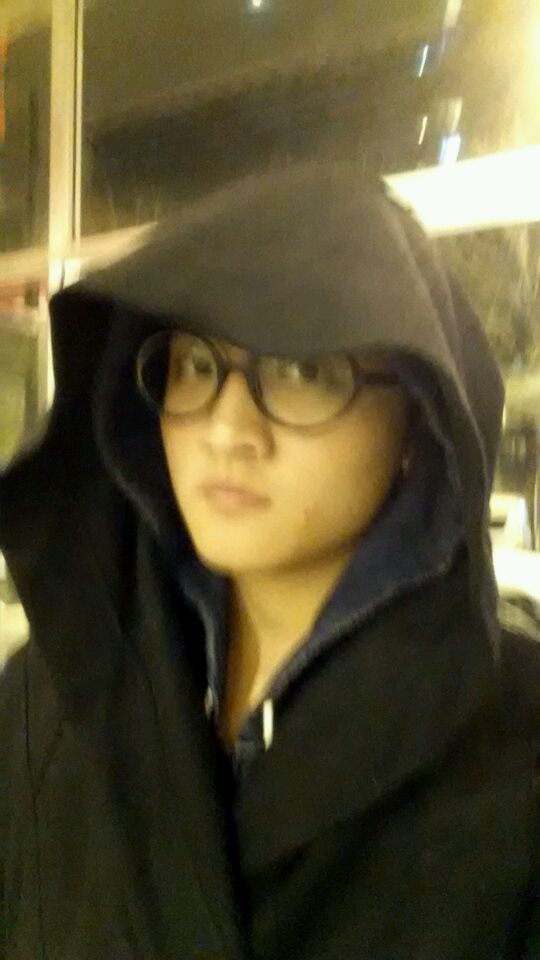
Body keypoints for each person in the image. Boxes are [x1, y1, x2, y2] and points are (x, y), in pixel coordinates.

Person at [1, 161, 540, 960]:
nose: (228, 430)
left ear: (417, 419)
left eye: (302, 371)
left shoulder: (513, 751)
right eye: (196, 365)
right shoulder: (47, 697)